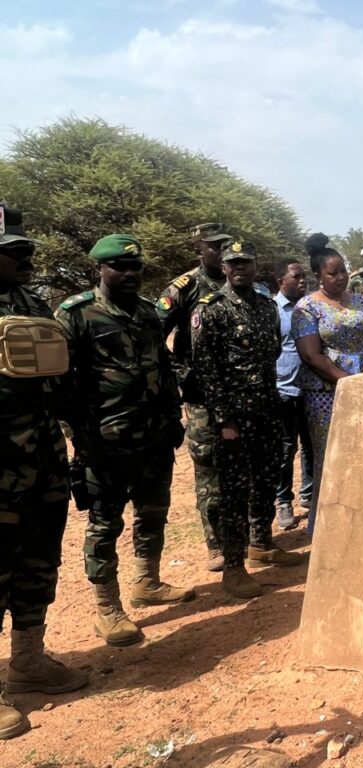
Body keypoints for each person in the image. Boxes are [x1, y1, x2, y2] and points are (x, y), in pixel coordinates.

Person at [57, 234, 194, 647]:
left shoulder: (150, 313)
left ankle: (147, 581)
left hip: (153, 436)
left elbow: (164, 369)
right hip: (105, 441)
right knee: (104, 522)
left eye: (136, 267)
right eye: (120, 266)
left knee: (153, 512)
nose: (130, 273)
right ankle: (107, 608)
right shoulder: (77, 314)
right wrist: (78, 434)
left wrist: (173, 418)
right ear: (100, 268)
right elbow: (60, 381)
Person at [0, 204, 87, 740]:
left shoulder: (32, 301)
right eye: (12, 250)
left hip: (42, 451)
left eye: (24, 247)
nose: (26, 255)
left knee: (37, 557)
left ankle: (28, 660)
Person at [191, 240, 300, 600]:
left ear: (255, 268)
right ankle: (234, 568)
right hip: (232, 419)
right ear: (223, 268)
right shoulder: (212, 309)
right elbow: (207, 372)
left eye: (246, 263)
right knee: (234, 494)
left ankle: (262, 544)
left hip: (267, 410)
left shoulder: (267, 308)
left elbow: (270, 357)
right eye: (232, 263)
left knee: (268, 479)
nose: (239, 268)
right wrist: (224, 420)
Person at [293, 234, 363, 535]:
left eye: (343, 270)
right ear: (318, 275)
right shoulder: (307, 308)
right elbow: (310, 354)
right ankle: (330, 528)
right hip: (326, 394)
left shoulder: (362, 302)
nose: (341, 277)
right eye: (333, 273)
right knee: (332, 456)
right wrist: (346, 383)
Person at [157, 222, 233, 572]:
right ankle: (215, 544)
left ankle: (245, 538)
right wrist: (180, 373)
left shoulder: (239, 281)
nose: (219, 251)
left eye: (223, 245)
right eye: (212, 246)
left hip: (239, 393)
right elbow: (154, 334)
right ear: (199, 250)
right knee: (209, 468)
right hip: (201, 395)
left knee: (241, 466)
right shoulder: (184, 287)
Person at [273, 258, 314, 530]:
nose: (302, 281)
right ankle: (282, 500)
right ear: (281, 282)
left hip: (310, 388)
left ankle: (309, 495)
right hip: (283, 390)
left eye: (304, 277)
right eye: (296, 277)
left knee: (311, 445)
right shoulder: (272, 310)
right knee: (285, 448)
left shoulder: (311, 308)